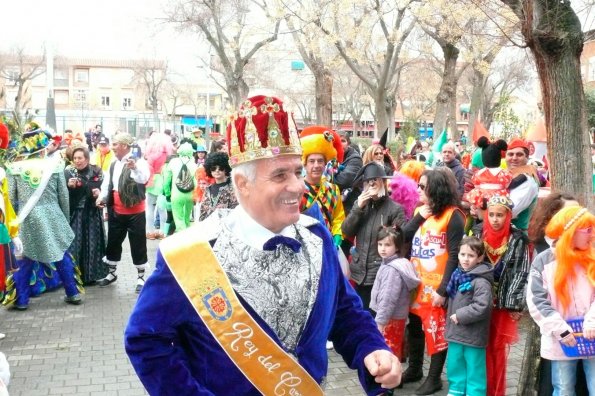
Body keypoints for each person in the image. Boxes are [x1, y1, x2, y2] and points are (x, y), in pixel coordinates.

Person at [125, 95, 402, 395]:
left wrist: (371, 350)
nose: (297, 185)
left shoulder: (316, 237)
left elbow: (345, 312)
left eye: (297, 171)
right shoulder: (192, 255)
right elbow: (145, 339)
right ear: (243, 184)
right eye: (280, 175)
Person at [401, 168, 466, 395]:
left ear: (435, 189)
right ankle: (415, 369)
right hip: (415, 284)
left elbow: (455, 254)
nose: (418, 190)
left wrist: (444, 289)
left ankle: (434, 378)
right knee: (416, 329)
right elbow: (403, 236)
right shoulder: (421, 211)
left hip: (437, 287)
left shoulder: (453, 215)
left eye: (422, 186)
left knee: (435, 331)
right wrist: (420, 216)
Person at [4, 129, 83, 309]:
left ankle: (22, 301)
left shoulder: (14, 168)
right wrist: (64, 218)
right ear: (43, 148)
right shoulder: (55, 166)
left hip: (27, 218)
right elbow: (63, 197)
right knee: (61, 254)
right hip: (53, 215)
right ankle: (73, 293)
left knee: (25, 258)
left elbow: (10, 199)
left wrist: (13, 224)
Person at [518, 192, 587, 396]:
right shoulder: (544, 252)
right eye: (568, 213)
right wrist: (559, 328)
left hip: (589, 333)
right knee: (562, 384)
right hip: (561, 336)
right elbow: (537, 299)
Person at [470, 195, 530, 396]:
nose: (495, 219)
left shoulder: (518, 239)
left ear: (508, 216)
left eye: (500, 215)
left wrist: (514, 304)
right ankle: (478, 389)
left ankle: (495, 391)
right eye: (492, 215)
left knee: (496, 348)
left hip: (502, 303)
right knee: (479, 346)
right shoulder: (477, 233)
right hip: (479, 301)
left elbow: (521, 271)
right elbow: (467, 263)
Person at [342, 162, 406, 312]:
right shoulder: (361, 205)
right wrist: (358, 208)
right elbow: (347, 230)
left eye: (375, 180)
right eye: (368, 182)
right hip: (359, 274)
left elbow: (400, 242)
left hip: (381, 274)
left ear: (383, 182)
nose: (371, 184)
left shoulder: (395, 209)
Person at [96, 133, 150, 293]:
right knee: (113, 242)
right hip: (116, 211)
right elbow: (108, 185)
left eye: (115, 144)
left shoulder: (139, 162)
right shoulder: (113, 164)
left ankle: (141, 277)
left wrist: (134, 168)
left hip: (136, 212)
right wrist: (101, 197)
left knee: (138, 244)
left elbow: (143, 179)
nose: (112, 147)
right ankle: (111, 274)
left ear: (125, 146)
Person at [445, 236, 493, 396]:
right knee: (455, 366)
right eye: (462, 254)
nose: (465, 259)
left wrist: (460, 315)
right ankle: (456, 392)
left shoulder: (481, 281)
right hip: (455, 334)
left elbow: (482, 306)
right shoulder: (458, 275)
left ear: (479, 258)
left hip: (473, 336)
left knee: (474, 369)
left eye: (471, 256)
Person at [371, 226, 420, 360]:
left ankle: (389, 381)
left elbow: (388, 298)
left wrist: (380, 323)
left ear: (397, 247)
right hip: (393, 317)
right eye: (380, 244)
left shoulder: (392, 269)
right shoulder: (390, 264)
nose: (382, 248)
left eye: (387, 245)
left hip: (389, 319)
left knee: (387, 355)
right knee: (393, 352)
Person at [64, 145, 107, 285]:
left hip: (93, 214)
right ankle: (73, 276)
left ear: (87, 159)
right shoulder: (69, 172)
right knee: (75, 244)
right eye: (75, 158)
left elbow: (102, 189)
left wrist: (98, 193)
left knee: (93, 244)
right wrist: (69, 187)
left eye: (80, 158)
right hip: (76, 213)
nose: (77, 161)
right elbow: (63, 194)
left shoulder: (97, 171)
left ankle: (91, 275)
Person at [299, 126, 345, 248]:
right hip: (306, 248)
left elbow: (338, 218)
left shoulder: (333, 190)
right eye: (312, 161)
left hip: (329, 246)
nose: (316, 165)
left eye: (320, 161)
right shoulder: (298, 190)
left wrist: (337, 235)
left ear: (325, 164)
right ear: (305, 164)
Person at [506, 138, 539, 231]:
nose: (514, 158)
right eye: (510, 154)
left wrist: (481, 212)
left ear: (527, 157)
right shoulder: (508, 175)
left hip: (516, 237)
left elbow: (510, 211)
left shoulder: (527, 180)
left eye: (519, 154)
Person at [162, 142, 197, 231]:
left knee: (178, 218)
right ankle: (188, 239)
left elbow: (166, 180)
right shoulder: (194, 164)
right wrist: (195, 196)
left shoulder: (173, 162)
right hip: (190, 195)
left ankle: (181, 237)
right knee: (187, 218)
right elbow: (196, 182)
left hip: (176, 194)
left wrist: (167, 194)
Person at [198, 151, 237, 221]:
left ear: (226, 169)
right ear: (210, 170)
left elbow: (236, 211)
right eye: (213, 168)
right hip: (209, 228)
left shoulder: (233, 188)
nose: (217, 170)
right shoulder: (208, 189)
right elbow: (202, 212)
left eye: (221, 168)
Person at [335, 131, 363, 214]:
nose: (340, 144)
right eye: (337, 141)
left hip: (349, 208)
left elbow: (344, 180)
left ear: (348, 143)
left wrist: (326, 177)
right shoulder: (330, 157)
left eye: (343, 141)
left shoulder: (355, 159)